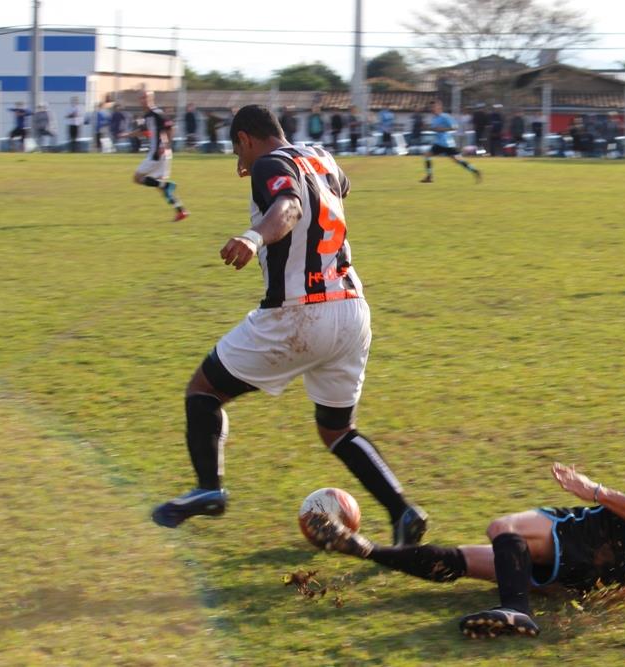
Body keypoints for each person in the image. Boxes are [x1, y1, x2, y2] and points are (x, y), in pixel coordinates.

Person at [150, 105, 429, 548]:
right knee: (337, 429)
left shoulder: (268, 164)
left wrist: (253, 235)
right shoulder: (321, 157)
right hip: (352, 309)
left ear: (245, 138)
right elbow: (334, 190)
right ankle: (403, 512)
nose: (238, 162)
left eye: (236, 150)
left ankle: (209, 488)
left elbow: (290, 206)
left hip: (299, 312)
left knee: (203, 391)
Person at [308, 417, 625, 638]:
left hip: (617, 541)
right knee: (480, 560)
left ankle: (516, 609)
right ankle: (365, 549)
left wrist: (598, 493)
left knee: (504, 526)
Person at [132, 91, 189, 222]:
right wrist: (127, 135)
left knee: (137, 178)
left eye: (145, 98)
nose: (143, 101)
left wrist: (165, 145)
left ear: (151, 99)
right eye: (141, 98)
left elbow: (170, 127)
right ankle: (181, 210)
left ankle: (168, 186)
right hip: (162, 153)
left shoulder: (157, 113)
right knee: (159, 186)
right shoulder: (146, 116)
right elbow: (145, 132)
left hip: (158, 153)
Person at [420, 99, 481, 183]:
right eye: (431, 107)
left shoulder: (445, 116)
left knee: (458, 160)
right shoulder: (434, 118)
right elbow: (435, 129)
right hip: (439, 143)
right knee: (427, 155)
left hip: (446, 143)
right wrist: (427, 127)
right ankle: (429, 176)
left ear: (439, 107)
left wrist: (443, 129)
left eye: (433, 107)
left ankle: (475, 171)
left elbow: (455, 127)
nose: (431, 109)